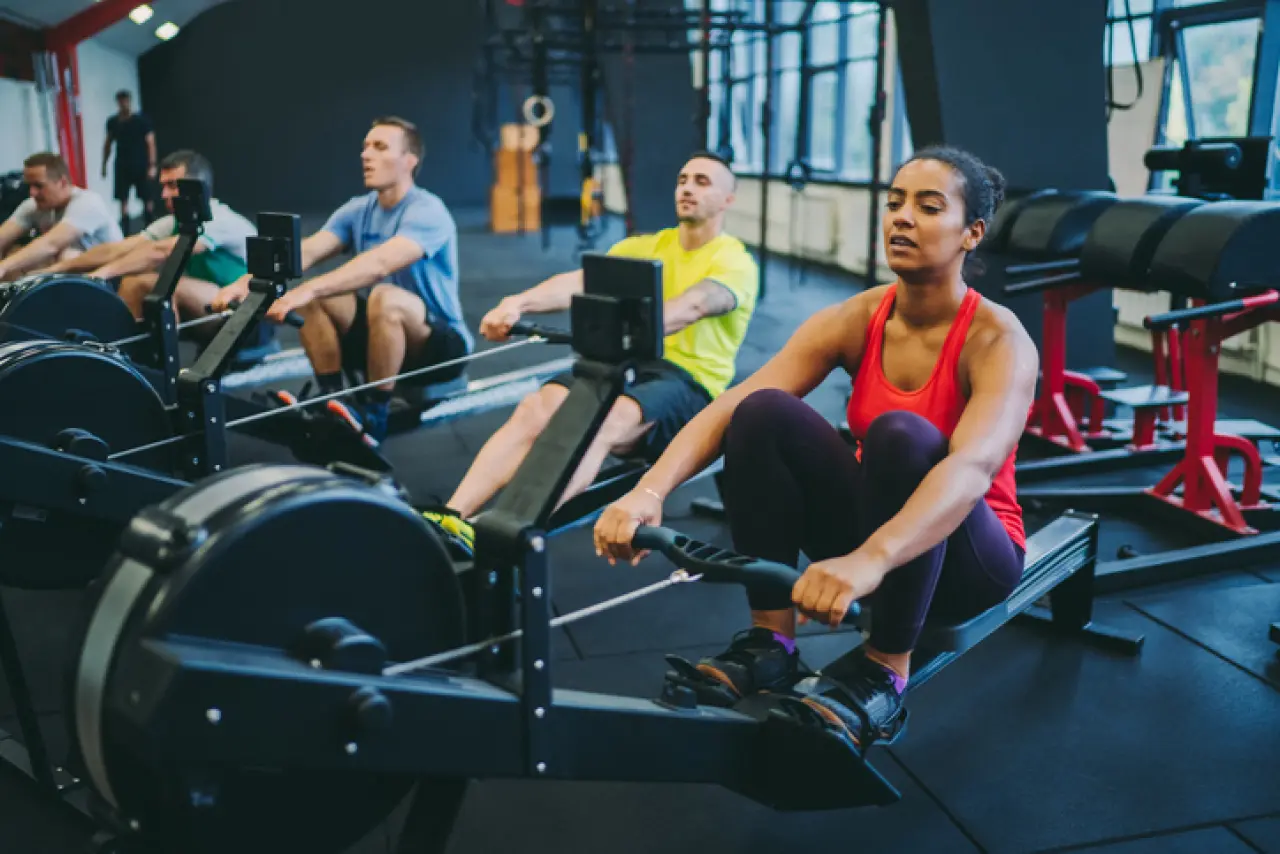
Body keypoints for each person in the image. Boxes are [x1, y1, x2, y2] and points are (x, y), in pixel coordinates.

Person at [593, 146, 1037, 752]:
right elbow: (731, 404)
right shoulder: (860, 316)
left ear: (971, 234)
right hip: (875, 543)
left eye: (929, 207)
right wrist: (648, 491)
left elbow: (971, 468)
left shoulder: (998, 339)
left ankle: (885, 669)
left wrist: (874, 557)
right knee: (762, 411)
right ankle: (771, 643)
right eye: (895, 202)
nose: (902, 218)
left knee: (902, 436)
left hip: (967, 560)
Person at [422, 152, 759, 553]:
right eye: (683, 179)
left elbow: (697, 305)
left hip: (688, 384)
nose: (687, 188)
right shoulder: (648, 246)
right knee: (538, 407)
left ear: (727, 200)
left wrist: (638, 327)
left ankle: (500, 533)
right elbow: (579, 281)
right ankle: (453, 517)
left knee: (603, 420)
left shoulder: (734, 261)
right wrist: (519, 302)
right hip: (633, 367)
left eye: (702, 182)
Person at [210, 116, 471, 442]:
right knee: (317, 297)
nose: (365, 155)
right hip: (383, 332)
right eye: (365, 147)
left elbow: (379, 264)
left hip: (439, 346)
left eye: (379, 147)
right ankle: (330, 397)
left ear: (409, 161)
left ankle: (375, 412)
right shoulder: (358, 210)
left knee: (382, 296)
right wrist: (243, 283)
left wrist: (305, 291)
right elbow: (304, 253)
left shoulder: (428, 210)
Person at [43, 150, 256, 326]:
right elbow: (117, 249)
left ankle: (139, 363)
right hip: (207, 300)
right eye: (163, 186)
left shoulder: (220, 220)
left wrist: (100, 275)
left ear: (198, 187)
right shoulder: (175, 221)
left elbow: (161, 251)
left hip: (239, 308)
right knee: (139, 280)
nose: (164, 195)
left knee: (144, 283)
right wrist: (57, 270)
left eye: (173, 185)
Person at [0, 153, 123, 282]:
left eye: (39, 186)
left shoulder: (88, 202)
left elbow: (51, 244)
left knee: (67, 255)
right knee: (15, 254)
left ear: (62, 182)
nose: (32, 193)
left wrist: (3, 266)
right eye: (29, 186)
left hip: (110, 277)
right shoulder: (34, 205)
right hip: (77, 274)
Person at [104, 90, 158, 231]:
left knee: (146, 197)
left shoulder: (141, 120)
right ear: (118, 103)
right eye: (121, 101)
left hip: (141, 163)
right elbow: (108, 143)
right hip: (122, 164)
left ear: (130, 101)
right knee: (123, 199)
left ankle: (150, 226)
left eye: (126, 100)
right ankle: (126, 230)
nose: (123, 104)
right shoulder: (113, 122)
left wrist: (152, 165)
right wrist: (104, 164)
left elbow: (150, 143)